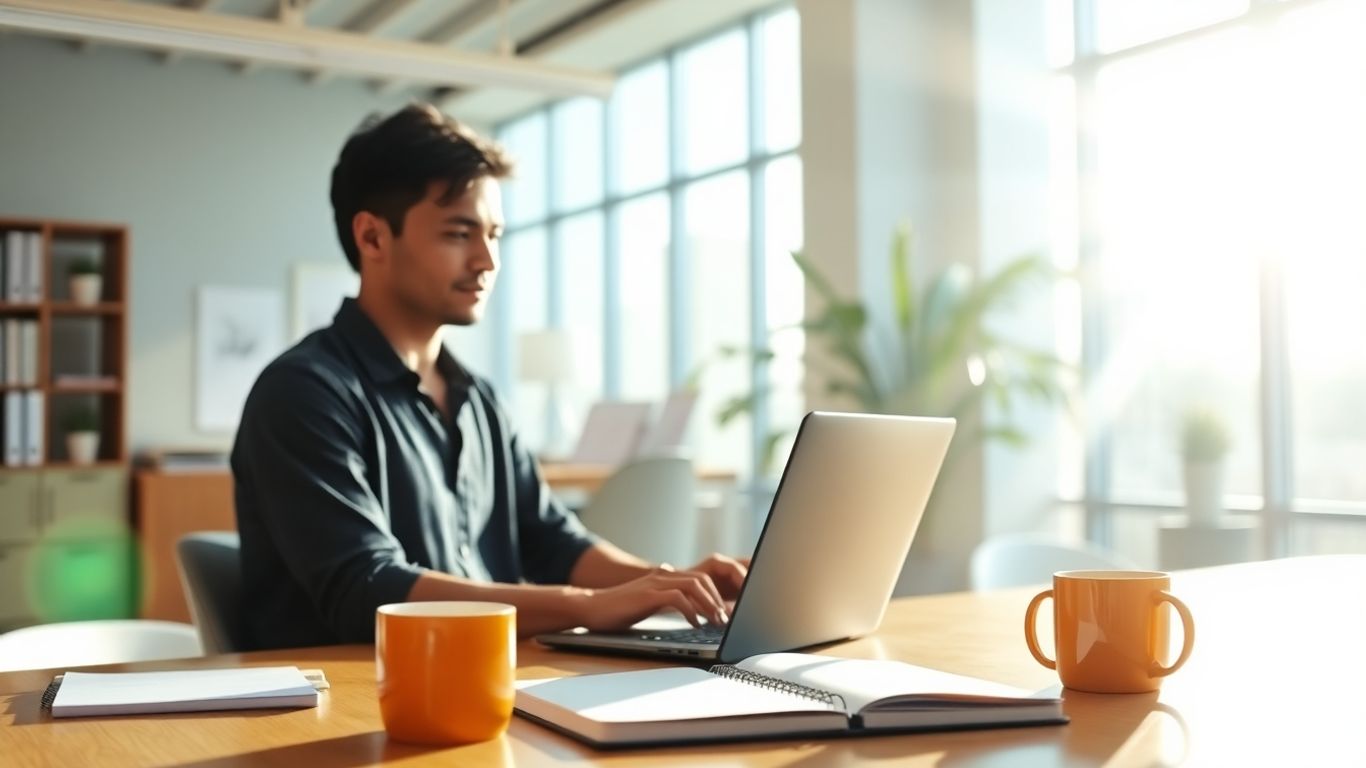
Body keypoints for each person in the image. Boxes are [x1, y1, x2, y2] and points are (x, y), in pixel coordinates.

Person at [230, 104, 747, 650]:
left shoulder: (476, 398)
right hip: (353, 703)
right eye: (459, 233)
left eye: (494, 235)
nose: (486, 260)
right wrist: (589, 608)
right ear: (373, 238)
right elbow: (367, 588)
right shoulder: (302, 393)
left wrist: (671, 586)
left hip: (482, 678)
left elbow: (551, 540)